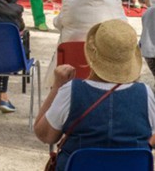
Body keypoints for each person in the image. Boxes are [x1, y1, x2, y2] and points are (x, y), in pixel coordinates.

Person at [35, 20, 155, 171]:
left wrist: (57, 85)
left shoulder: (71, 91)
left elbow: (45, 135)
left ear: (91, 54)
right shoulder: (145, 93)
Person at [44, 0, 127, 87]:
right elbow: (123, 28)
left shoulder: (70, 1)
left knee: (63, 42)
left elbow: (58, 23)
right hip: (105, 69)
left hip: (71, 67)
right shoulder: (114, 2)